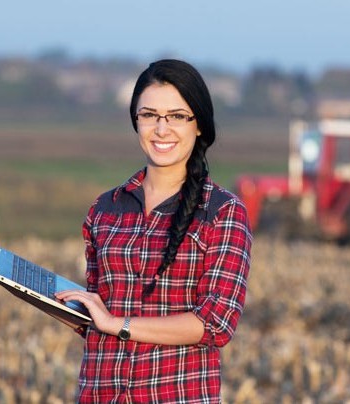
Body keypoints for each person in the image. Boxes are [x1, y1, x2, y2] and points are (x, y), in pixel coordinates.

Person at [55, 59, 252, 403]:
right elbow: (97, 317)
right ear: (136, 121)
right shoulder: (105, 208)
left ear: (200, 125)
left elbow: (215, 323)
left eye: (177, 116)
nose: (161, 129)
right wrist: (17, 281)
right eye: (149, 115)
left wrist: (119, 324)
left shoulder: (223, 212)